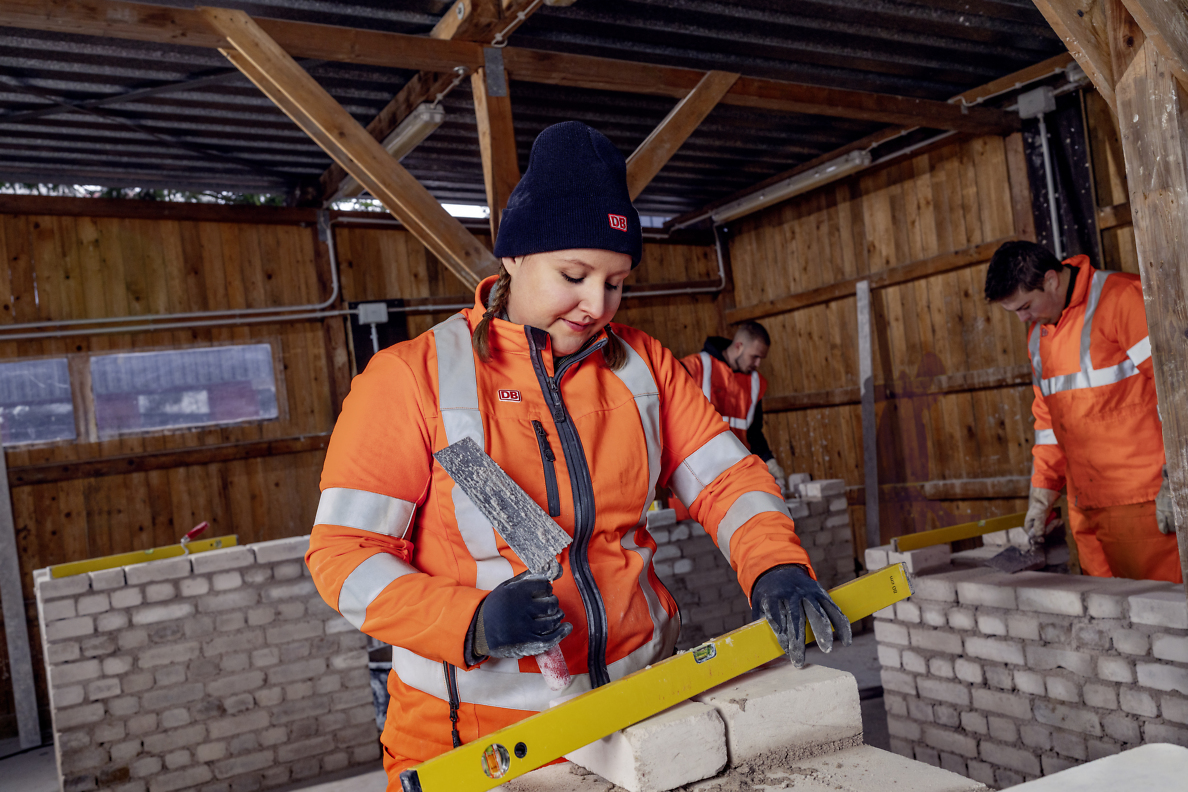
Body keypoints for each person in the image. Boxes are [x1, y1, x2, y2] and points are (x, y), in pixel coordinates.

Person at [306, 121, 851, 786]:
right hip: (475, 742)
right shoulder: (410, 379)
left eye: (616, 282)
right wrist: (470, 623)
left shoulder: (643, 368)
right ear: (512, 257)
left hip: (638, 717)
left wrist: (775, 565)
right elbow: (344, 555)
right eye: (574, 275)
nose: (596, 304)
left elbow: (727, 479)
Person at [984, 240, 1180, 583]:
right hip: (1085, 508)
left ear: (1051, 280)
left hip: (1143, 502)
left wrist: (1178, 477)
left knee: (1157, 609)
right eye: (1014, 311)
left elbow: (1179, 388)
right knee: (1106, 610)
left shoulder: (1122, 299)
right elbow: (1049, 423)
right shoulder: (1038, 337)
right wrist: (1042, 494)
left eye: (1025, 306)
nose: (1023, 318)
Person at [681, 323, 784, 485]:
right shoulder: (693, 368)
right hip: (695, 478)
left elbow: (753, 433)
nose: (758, 364)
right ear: (738, 346)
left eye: (761, 359)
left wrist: (768, 461)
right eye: (755, 356)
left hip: (736, 477)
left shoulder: (755, 383)